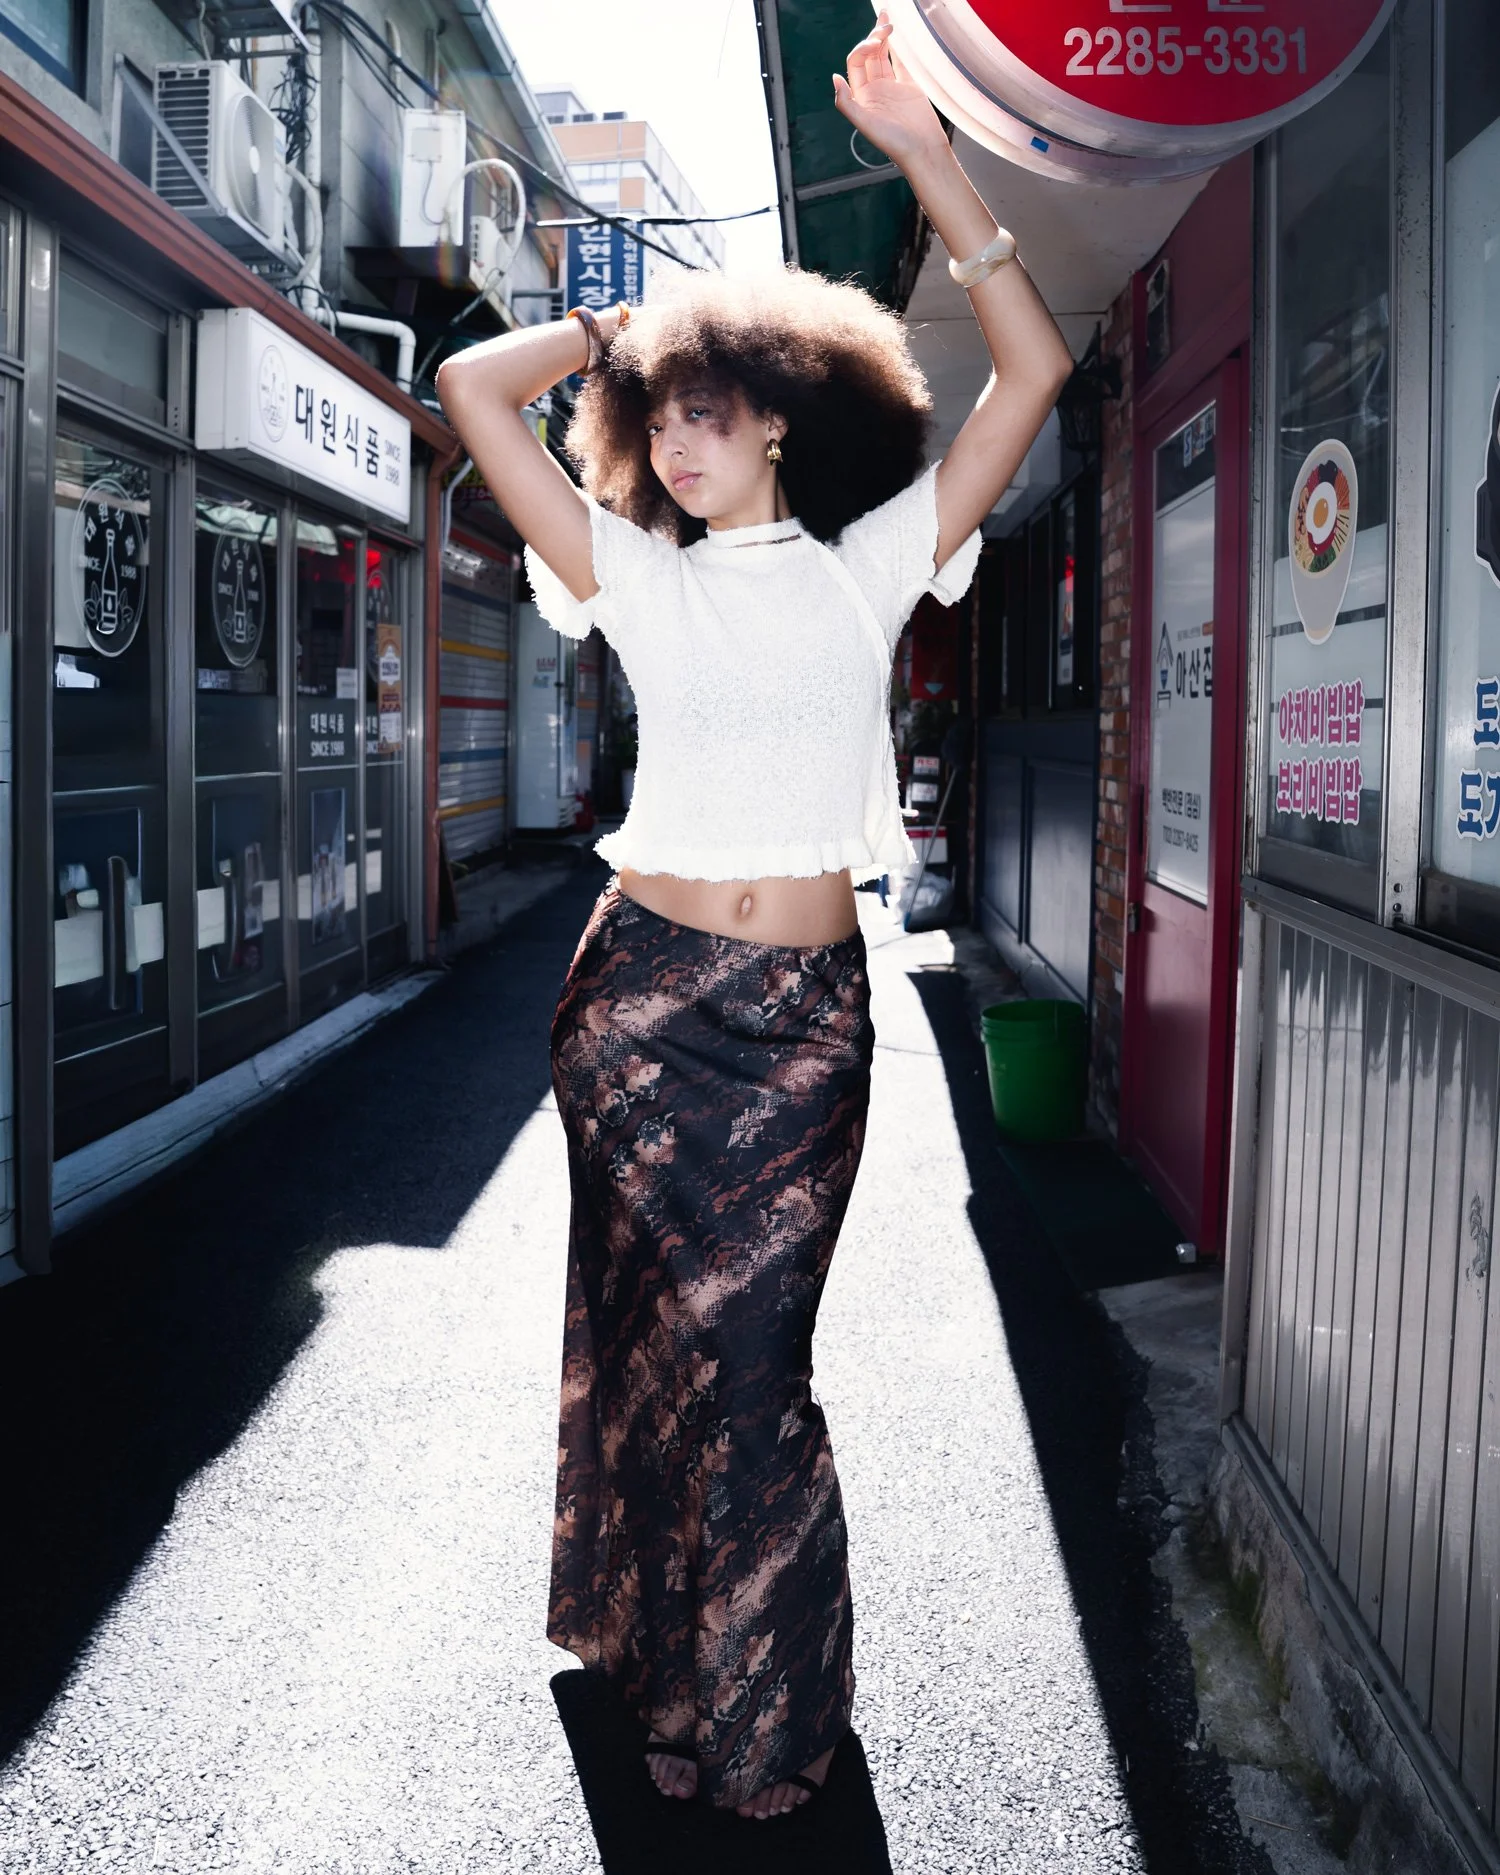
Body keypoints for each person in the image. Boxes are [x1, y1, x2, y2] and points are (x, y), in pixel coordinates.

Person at [436, 12, 1073, 1825]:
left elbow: (1031, 367)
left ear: (782, 414)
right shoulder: (633, 569)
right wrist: (616, 336)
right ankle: (660, 1670)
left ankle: (770, 1705)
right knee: (659, 1354)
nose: (679, 441)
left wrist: (930, 159)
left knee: (755, 1368)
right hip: (635, 1007)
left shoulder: (873, 566)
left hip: (799, 1025)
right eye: (663, 420)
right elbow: (474, 390)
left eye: (709, 410)